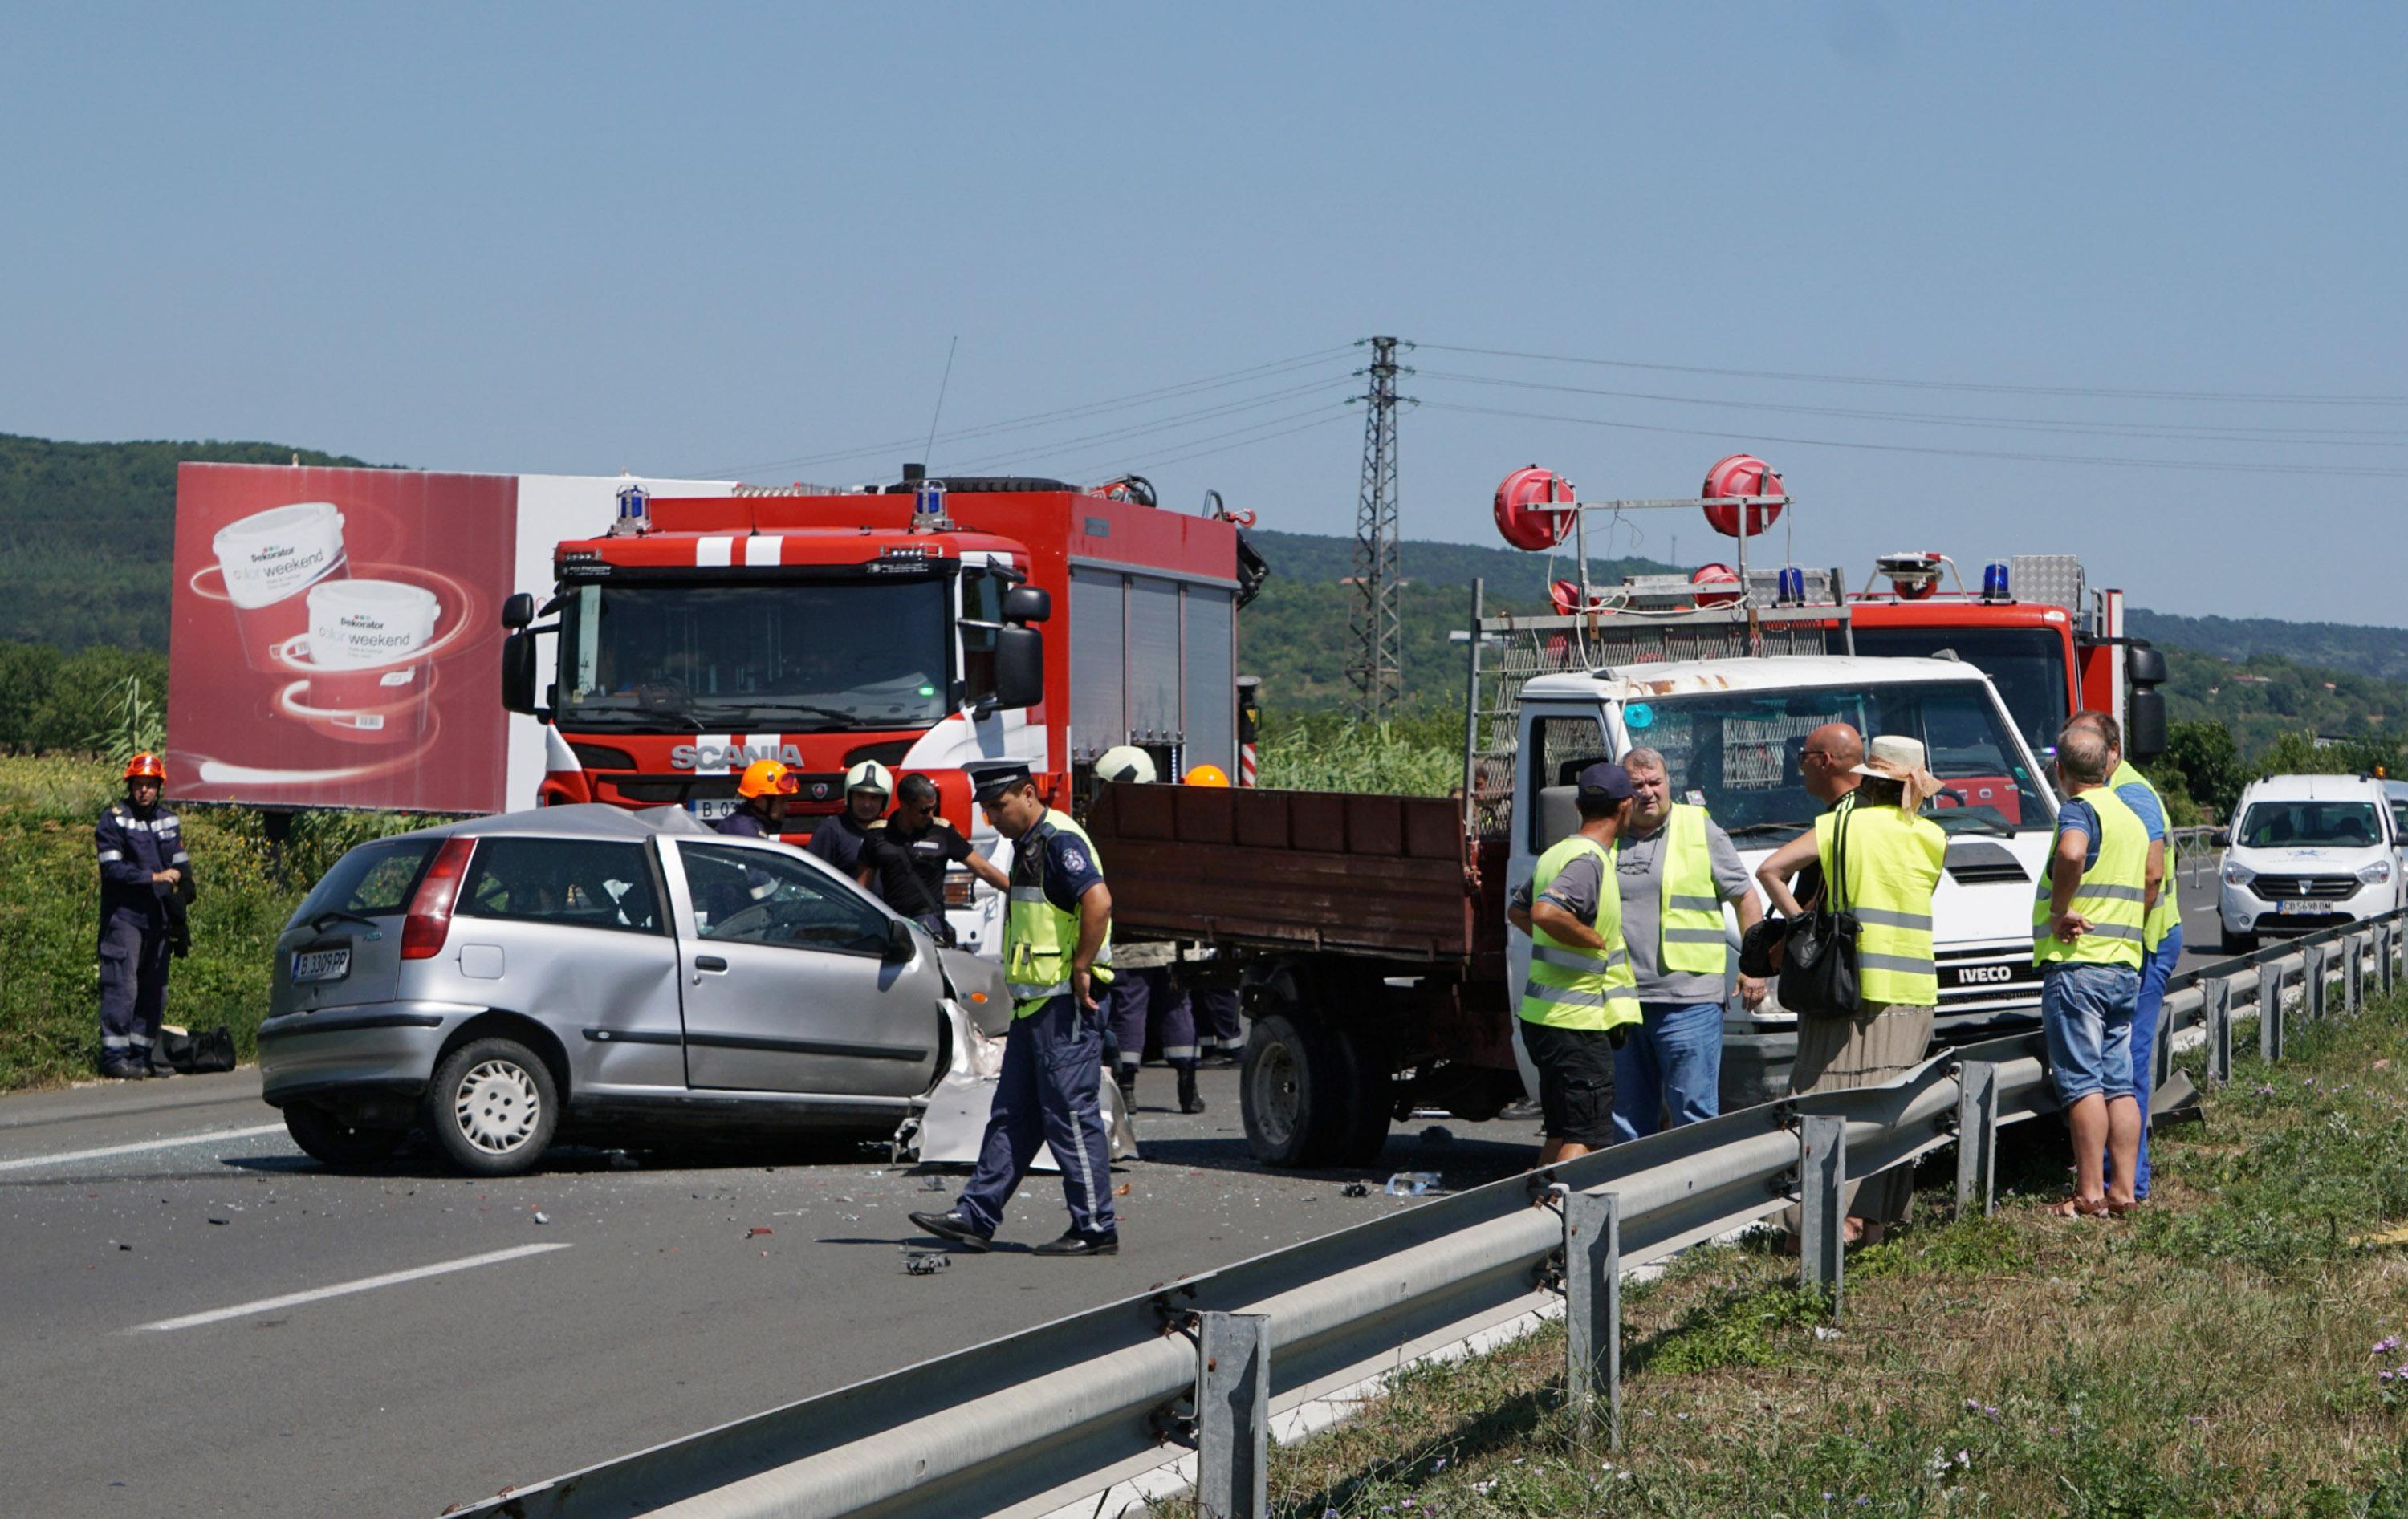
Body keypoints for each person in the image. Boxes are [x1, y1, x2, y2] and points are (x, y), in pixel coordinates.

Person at [909, 762, 1121, 1256]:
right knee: (1012, 1115)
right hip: (1035, 1005)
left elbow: (1099, 901)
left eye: (998, 806)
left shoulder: (1058, 841)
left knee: (1069, 1115)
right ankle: (976, 1215)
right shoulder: (1029, 843)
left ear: (1028, 794)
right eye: (986, 807)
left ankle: (1095, 1228)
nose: (992, 816)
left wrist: (1084, 965)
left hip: (1065, 1003)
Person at [1756, 734, 1946, 1245]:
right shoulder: (1932, 836)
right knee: (1890, 1111)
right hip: (1914, 991)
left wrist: (1802, 927)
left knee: (1823, 1100)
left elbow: (1770, 870)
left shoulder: (1841, 825)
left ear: (1870, 778)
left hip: (1848, 987)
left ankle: (1815, 1226)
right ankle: (1875, 1223)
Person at [1608, 748, 1768, 1142]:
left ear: (1668, 784)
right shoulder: (1609, 834)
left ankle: (1700, 1199)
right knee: (1627, 1122)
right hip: (1622, 999)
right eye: (1637, 786)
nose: (1647, 793)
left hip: (1689, 1001)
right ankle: (1637, 1201)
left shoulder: (1699, 828)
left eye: (1654, 783)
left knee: (1693, 1116)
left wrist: (1754, 966)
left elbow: (1746, 898)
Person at [2034, 721, 2149, 1218]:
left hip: (2081, 969)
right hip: (2125, 965)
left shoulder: (2078, 810)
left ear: (2060, 770)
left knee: (2082, 1083)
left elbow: (2072, 851)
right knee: (2119, 1082)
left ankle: (2090, 1193)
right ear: (2109, 764)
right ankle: (2124, 1190)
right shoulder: (2129, 815)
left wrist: (2060, 911)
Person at [2063, 710, 2178, 1202]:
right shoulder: (2120, 791)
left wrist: (2120, 930)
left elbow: (2151, 875)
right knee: (2121, 1069)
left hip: (2136, 944)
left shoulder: (2125, 794)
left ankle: (2121, 1183)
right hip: (2135, 942)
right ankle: (2125, 1185)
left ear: (2113, 751)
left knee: (2120, 1068)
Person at [1507, 762, 1644, 1166]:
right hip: (1575, 1023)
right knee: (1587, 1136)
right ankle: (1561, 1217)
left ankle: (1537, 1215)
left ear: (1579, 807)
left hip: (1546, 1019)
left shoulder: (1559, 851)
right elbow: (1545, 913)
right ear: (1625, 806)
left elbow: (1519, 911)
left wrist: (1563, 941)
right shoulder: (1589, 860)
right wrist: (1590, 940)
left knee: (1563, 1130)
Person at [96, 753, 189, 1080]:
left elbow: (181, 867)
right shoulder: (114, 819)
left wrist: (182, 918)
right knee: (123, 987)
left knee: (154, 989)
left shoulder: (168, 820)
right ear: (130, 785)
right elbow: (112, 869)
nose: (144, 791)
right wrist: (152, 878)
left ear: (159, 788)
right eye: (139, 784)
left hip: (158, 918)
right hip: (125, 917)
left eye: (150, 785)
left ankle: (141, 1055)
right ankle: (114, 1057)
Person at [863, 772, 1009, 941]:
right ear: (904, 806)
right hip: (892, 925)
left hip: (929, 927)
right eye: (924, 810)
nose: (931, 816)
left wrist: (1014, 891)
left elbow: (983, 869)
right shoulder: (877, 835)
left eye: (934, 808)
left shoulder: (942, 833)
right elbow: (863, 885)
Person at [1106, 944, 1204, 1114]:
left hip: (1132, 949)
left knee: (1129, 1010)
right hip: (1175, 947)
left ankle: (1125, 1089)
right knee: (1178, 1009)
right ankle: (1189, 1090)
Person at [808, 760, 891, 887]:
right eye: (860, 795)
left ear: (884, 800)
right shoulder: (831, 830)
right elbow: (813, 880)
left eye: (874, 798)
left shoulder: (891, 833)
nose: (867, 804)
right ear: (850, 796)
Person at [714, 758, 796, 837]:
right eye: (782, 801)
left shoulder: (750, 825)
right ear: (759, 801)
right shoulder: (746, 833)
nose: (787, 807)